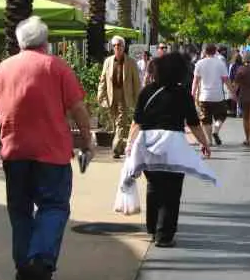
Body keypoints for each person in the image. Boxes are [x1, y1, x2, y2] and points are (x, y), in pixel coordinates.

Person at [0, 16, 93, 280]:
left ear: (20, 42)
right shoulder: (57, 67)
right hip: (52, 155)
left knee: (19, 211)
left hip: (14, 153)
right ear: (45, 42)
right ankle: (41, 260)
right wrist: (87, 141)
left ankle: (24, 267)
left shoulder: (3, 69)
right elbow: (78, 108)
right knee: (53, 207)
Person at [123, 53, 215, 248]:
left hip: (147, 145)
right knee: (172, 191)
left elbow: (136, 122)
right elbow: (194, 123)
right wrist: (204, 143)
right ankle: (164, 235)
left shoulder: (146, 91)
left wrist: (130, 144)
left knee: (154, 186)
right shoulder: (182, 94)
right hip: (173, 146)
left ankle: (152, 227)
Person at [98, 36, 142, 159]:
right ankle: (121, 145)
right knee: (115, 122)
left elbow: (136, 83)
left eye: (119, 45)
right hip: (112, 96)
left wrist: (139, 99)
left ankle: (116, 148)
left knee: (121, 122)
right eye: (115, 46)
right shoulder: (108, 61)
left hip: (124, 95)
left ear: (124, 47)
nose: (117, 48)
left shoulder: (131, 62)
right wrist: (101, 96)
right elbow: (103, 80)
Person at [191, 44, 231, 146]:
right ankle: (216, 130)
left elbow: (195, 81)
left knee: (205, 119)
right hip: (218, 96)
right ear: (215, 52)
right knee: (222, 115)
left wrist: (192, 93)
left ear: (205, 52)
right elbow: (226, 79)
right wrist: (232, 91)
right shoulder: (220, 63)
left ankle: (209, 140)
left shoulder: (199, 63)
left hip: (204, 96)